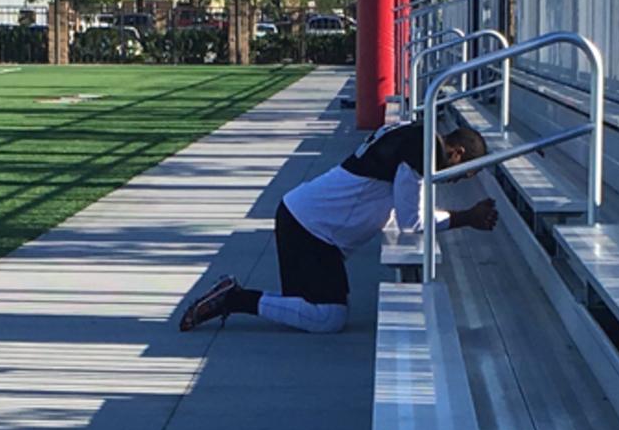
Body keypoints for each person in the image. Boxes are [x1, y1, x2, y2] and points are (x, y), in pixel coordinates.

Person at [179, 120, 497, 334]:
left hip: (307, 221)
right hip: (311, 229)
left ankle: (234, 296)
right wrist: (466, 217)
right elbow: (412, 222)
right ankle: (233, 298)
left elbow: (408, 208)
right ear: (457, 154)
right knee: (328, 317)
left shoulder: (417, 137)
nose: (456, 180)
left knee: (313, 308)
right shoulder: (418, 152)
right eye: (464, 173)